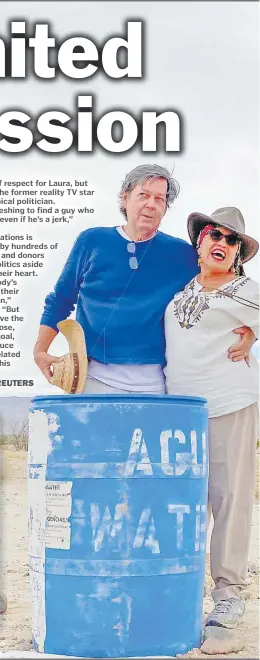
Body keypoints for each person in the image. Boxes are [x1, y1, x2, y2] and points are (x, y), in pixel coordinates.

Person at [34, 164, 255, 393]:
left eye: (160, 199)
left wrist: (250, 331)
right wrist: (40, 350)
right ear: (125, 198)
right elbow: (60, 299)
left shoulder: (183, 254)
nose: (151, 204)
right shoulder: (91, 241)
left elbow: (227, 286)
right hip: (92, 378)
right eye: (143, 195)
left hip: (156, 384)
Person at [164, 207, 259, 637]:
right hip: (180, 413)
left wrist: (254, 333)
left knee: (229, 501)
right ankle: (182, 595)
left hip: (229, 404)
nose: (220, 241)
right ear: (199, 243)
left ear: (238, 252)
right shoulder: (185, 287)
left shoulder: (245, 291)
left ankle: (228, 598)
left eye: (231, 239)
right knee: (185, 505)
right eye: (212, 234)